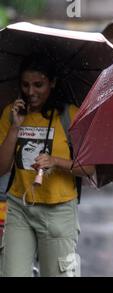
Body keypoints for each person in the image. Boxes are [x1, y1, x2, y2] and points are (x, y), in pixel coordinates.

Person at [0, 55, 95, 277]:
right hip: (20, 207)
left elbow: (89, 168)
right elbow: (1, 168)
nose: (30, 91)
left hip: (59, 211)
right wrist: (15, 128)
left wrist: (55, 161)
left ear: (52, 83)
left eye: (38, 85)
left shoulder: (71, 115)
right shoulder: (11, 113)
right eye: (25, 85)